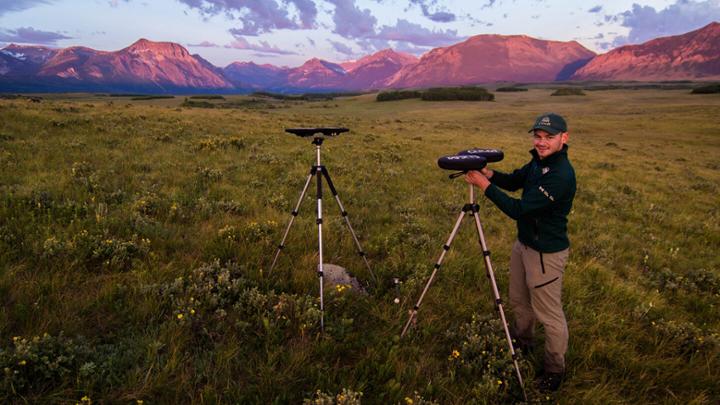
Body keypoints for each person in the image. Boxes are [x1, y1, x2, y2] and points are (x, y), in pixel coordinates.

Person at [465, 113, 576, 392]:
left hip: (545, 254)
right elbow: (515, 181)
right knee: (519, 299)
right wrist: (489, 173)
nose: (541, 142)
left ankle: (554, 369)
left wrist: (483, 185)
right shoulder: (539, 162)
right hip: (524, 244)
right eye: (537, 136)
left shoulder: (560, 175)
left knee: (549, 314)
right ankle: (523, 342)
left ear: (565, 137)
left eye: (548, 137)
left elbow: (518, 209)